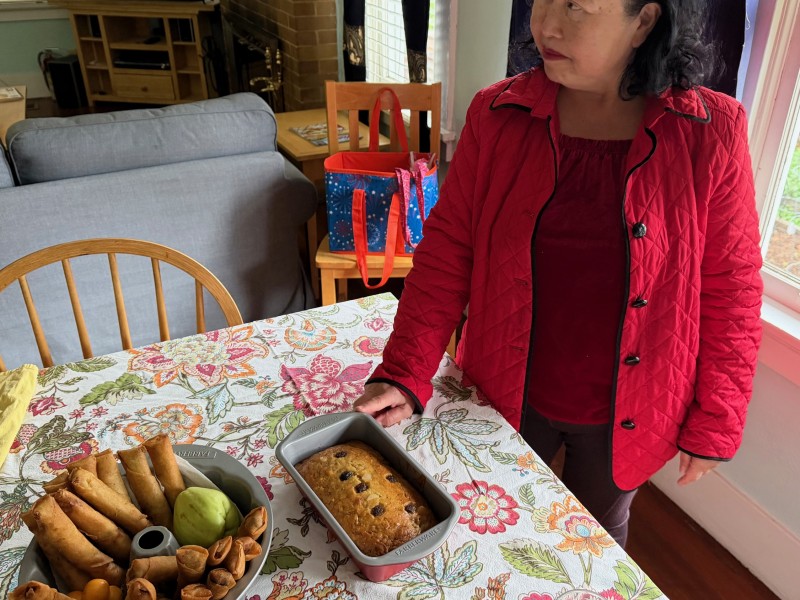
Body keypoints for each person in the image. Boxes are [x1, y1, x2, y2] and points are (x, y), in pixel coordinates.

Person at [353, 0, 763, 547]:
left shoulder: (711, 130)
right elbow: (448, 252)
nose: (545, 24)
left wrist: (719, 417)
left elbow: (732, 287)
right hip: (503, 387)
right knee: (490, 527)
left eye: (576, 6)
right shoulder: (497, 114)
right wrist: (405, 371)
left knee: (596, 541)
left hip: (633, 406)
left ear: (643, 21)